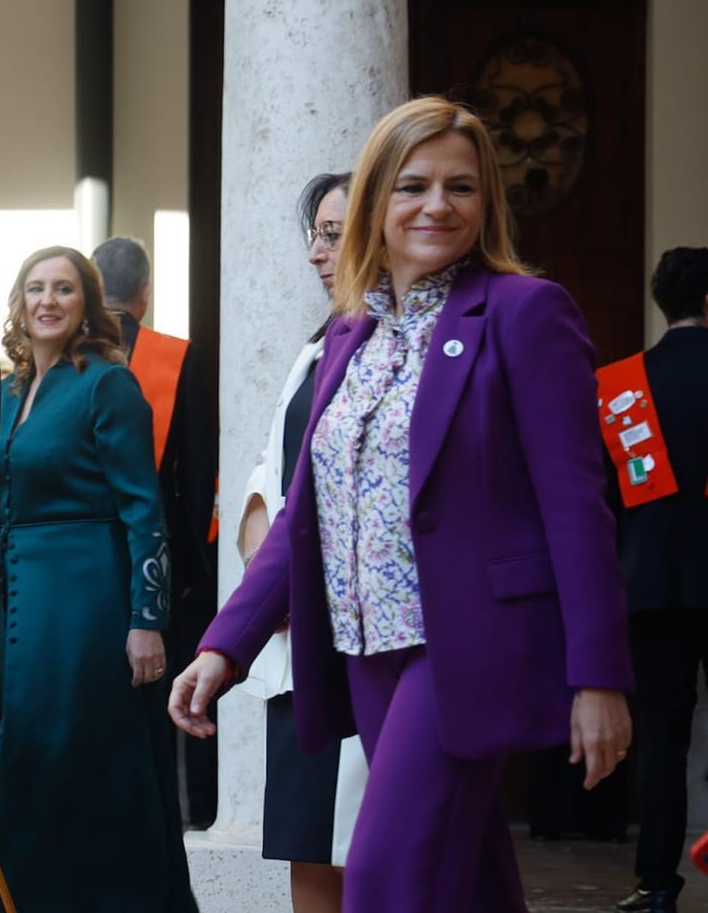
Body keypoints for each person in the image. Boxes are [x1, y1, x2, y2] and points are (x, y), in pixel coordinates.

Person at [169, 95, 634, 913]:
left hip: (466, 650)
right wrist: (225, 644)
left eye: (461, 187)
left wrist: (599, 677)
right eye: (413, 185)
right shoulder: (351, 331)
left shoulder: (526, 312)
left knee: (384, 880)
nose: (437, 206)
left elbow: (578, 506)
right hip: (366, 650)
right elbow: (305, 515)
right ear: (377, 202)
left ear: (486, 203)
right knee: (468, 881)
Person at [0, 246, 197, 913]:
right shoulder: (8, 391)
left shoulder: (106, 384)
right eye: (36, 288)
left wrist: (147, 620)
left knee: (46, 749)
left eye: (64, 288)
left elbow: (143, 509)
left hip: (90, 598)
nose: (48, 301)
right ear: (19, 304)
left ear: (87, 302)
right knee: (41, 752)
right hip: (21, 601)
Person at [234, 172, 367, 912]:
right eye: (314, 235)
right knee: (307, 840)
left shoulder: (393, 345)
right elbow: (268, 472)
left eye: (333, 233)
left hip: (354, 636)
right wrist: (265, 569)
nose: (318, 252)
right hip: (293, 635)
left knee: (361, 844)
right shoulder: (314, 350)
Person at [91, 236, 218, 828]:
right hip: (169, 563)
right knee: (186, 692)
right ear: (146, 294)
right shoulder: (180, 357)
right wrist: (198, 570)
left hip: (85, 559)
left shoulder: (68, 357)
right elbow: (197, 475)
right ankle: (199, 810)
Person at [605, 247, 708, 913]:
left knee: (663, 737)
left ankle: (655, 884)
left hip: (651, 582)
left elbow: (605, 497)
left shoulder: (617, 387)